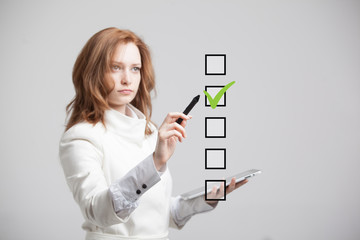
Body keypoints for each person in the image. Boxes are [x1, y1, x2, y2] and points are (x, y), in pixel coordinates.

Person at [59, 27, 248, 240]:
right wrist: (155, 163)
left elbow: (157, 213)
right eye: (115, 67)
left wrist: (207, 199)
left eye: (135, 69)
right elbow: (98, 212)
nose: (127, 79)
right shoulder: (81, 138)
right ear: (93, 72)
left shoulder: (148, 131)